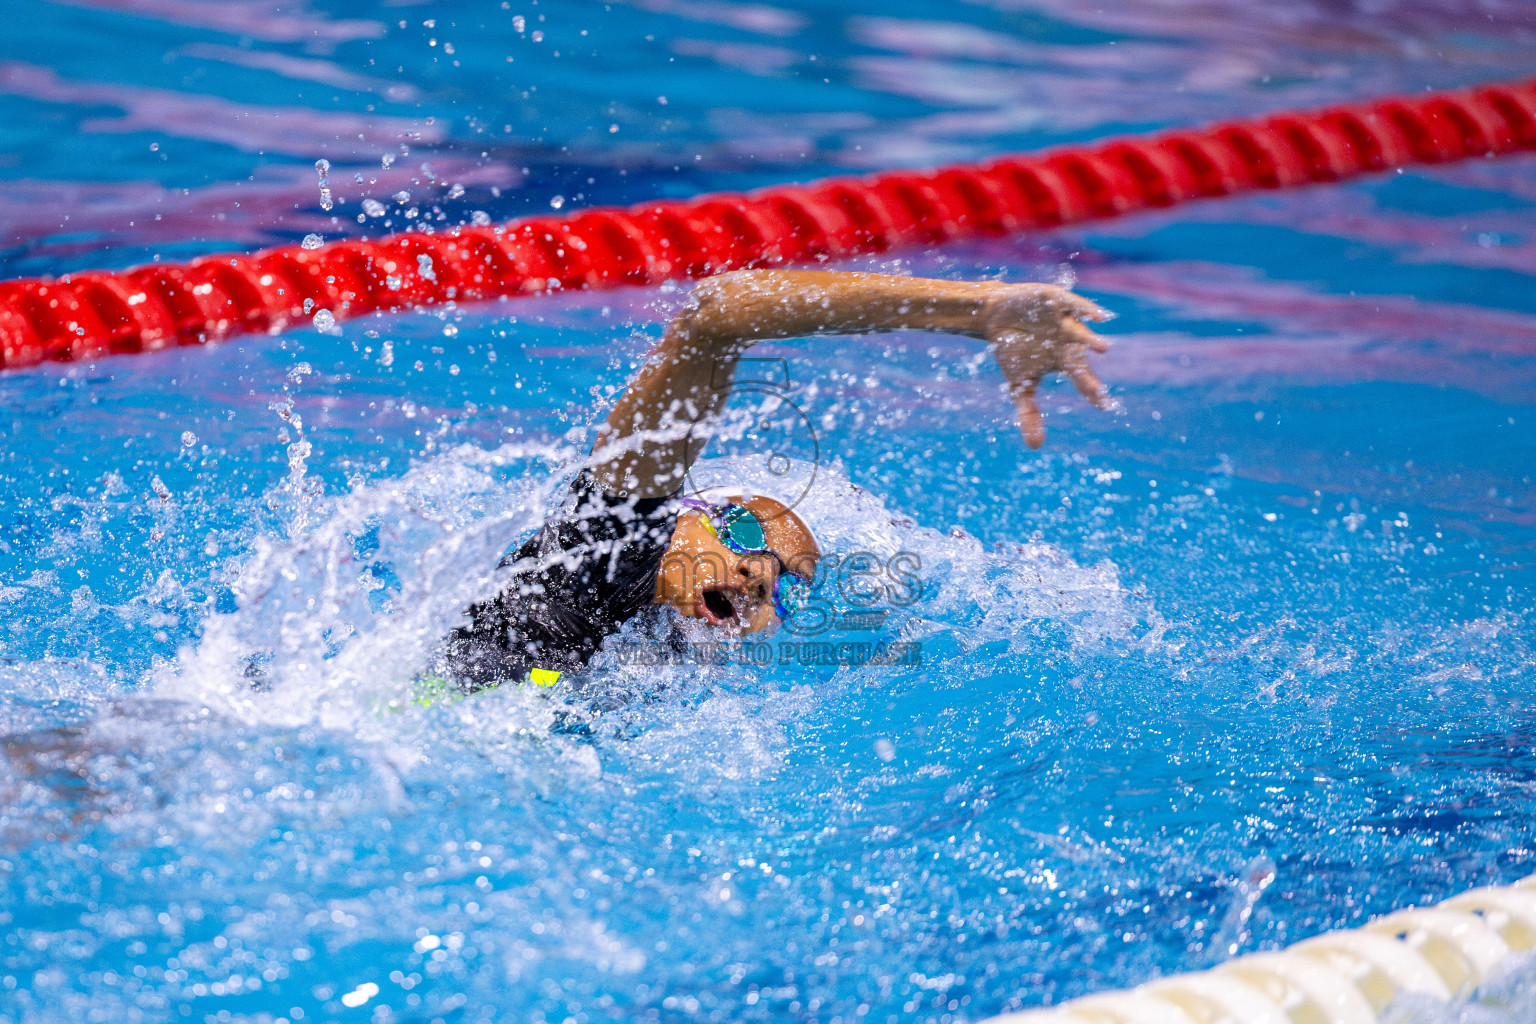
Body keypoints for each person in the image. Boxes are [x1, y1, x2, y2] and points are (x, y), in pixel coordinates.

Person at [442, 269, 1113, 692]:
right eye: (746, 546)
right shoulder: (610, 541)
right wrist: (977, 310)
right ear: (692, 518)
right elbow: (716, 315)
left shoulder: (667, 647)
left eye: (769, 591)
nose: (750, 582)